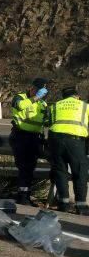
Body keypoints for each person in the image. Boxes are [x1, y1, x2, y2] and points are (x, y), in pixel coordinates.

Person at [45, 87, 89, 215]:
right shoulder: (85, 106)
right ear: (76, 96)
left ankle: (63, 204)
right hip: (75, 141)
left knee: (60, 172)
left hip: (55, 140)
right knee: (79, 172)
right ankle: (81, 206)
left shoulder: (55, 105)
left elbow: (50, 123)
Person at [9, 78, 48, 205]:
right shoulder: (19, 97)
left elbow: (46, 121)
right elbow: (19, 106)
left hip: (34, 138)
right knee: (23, 167)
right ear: (32, 88)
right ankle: (23, 196)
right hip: (20, 136)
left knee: (30, 168)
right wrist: (35, 98)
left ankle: (25, 195)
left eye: (41, 91)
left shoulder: (43, 103)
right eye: (37, 90)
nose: (39, 93)